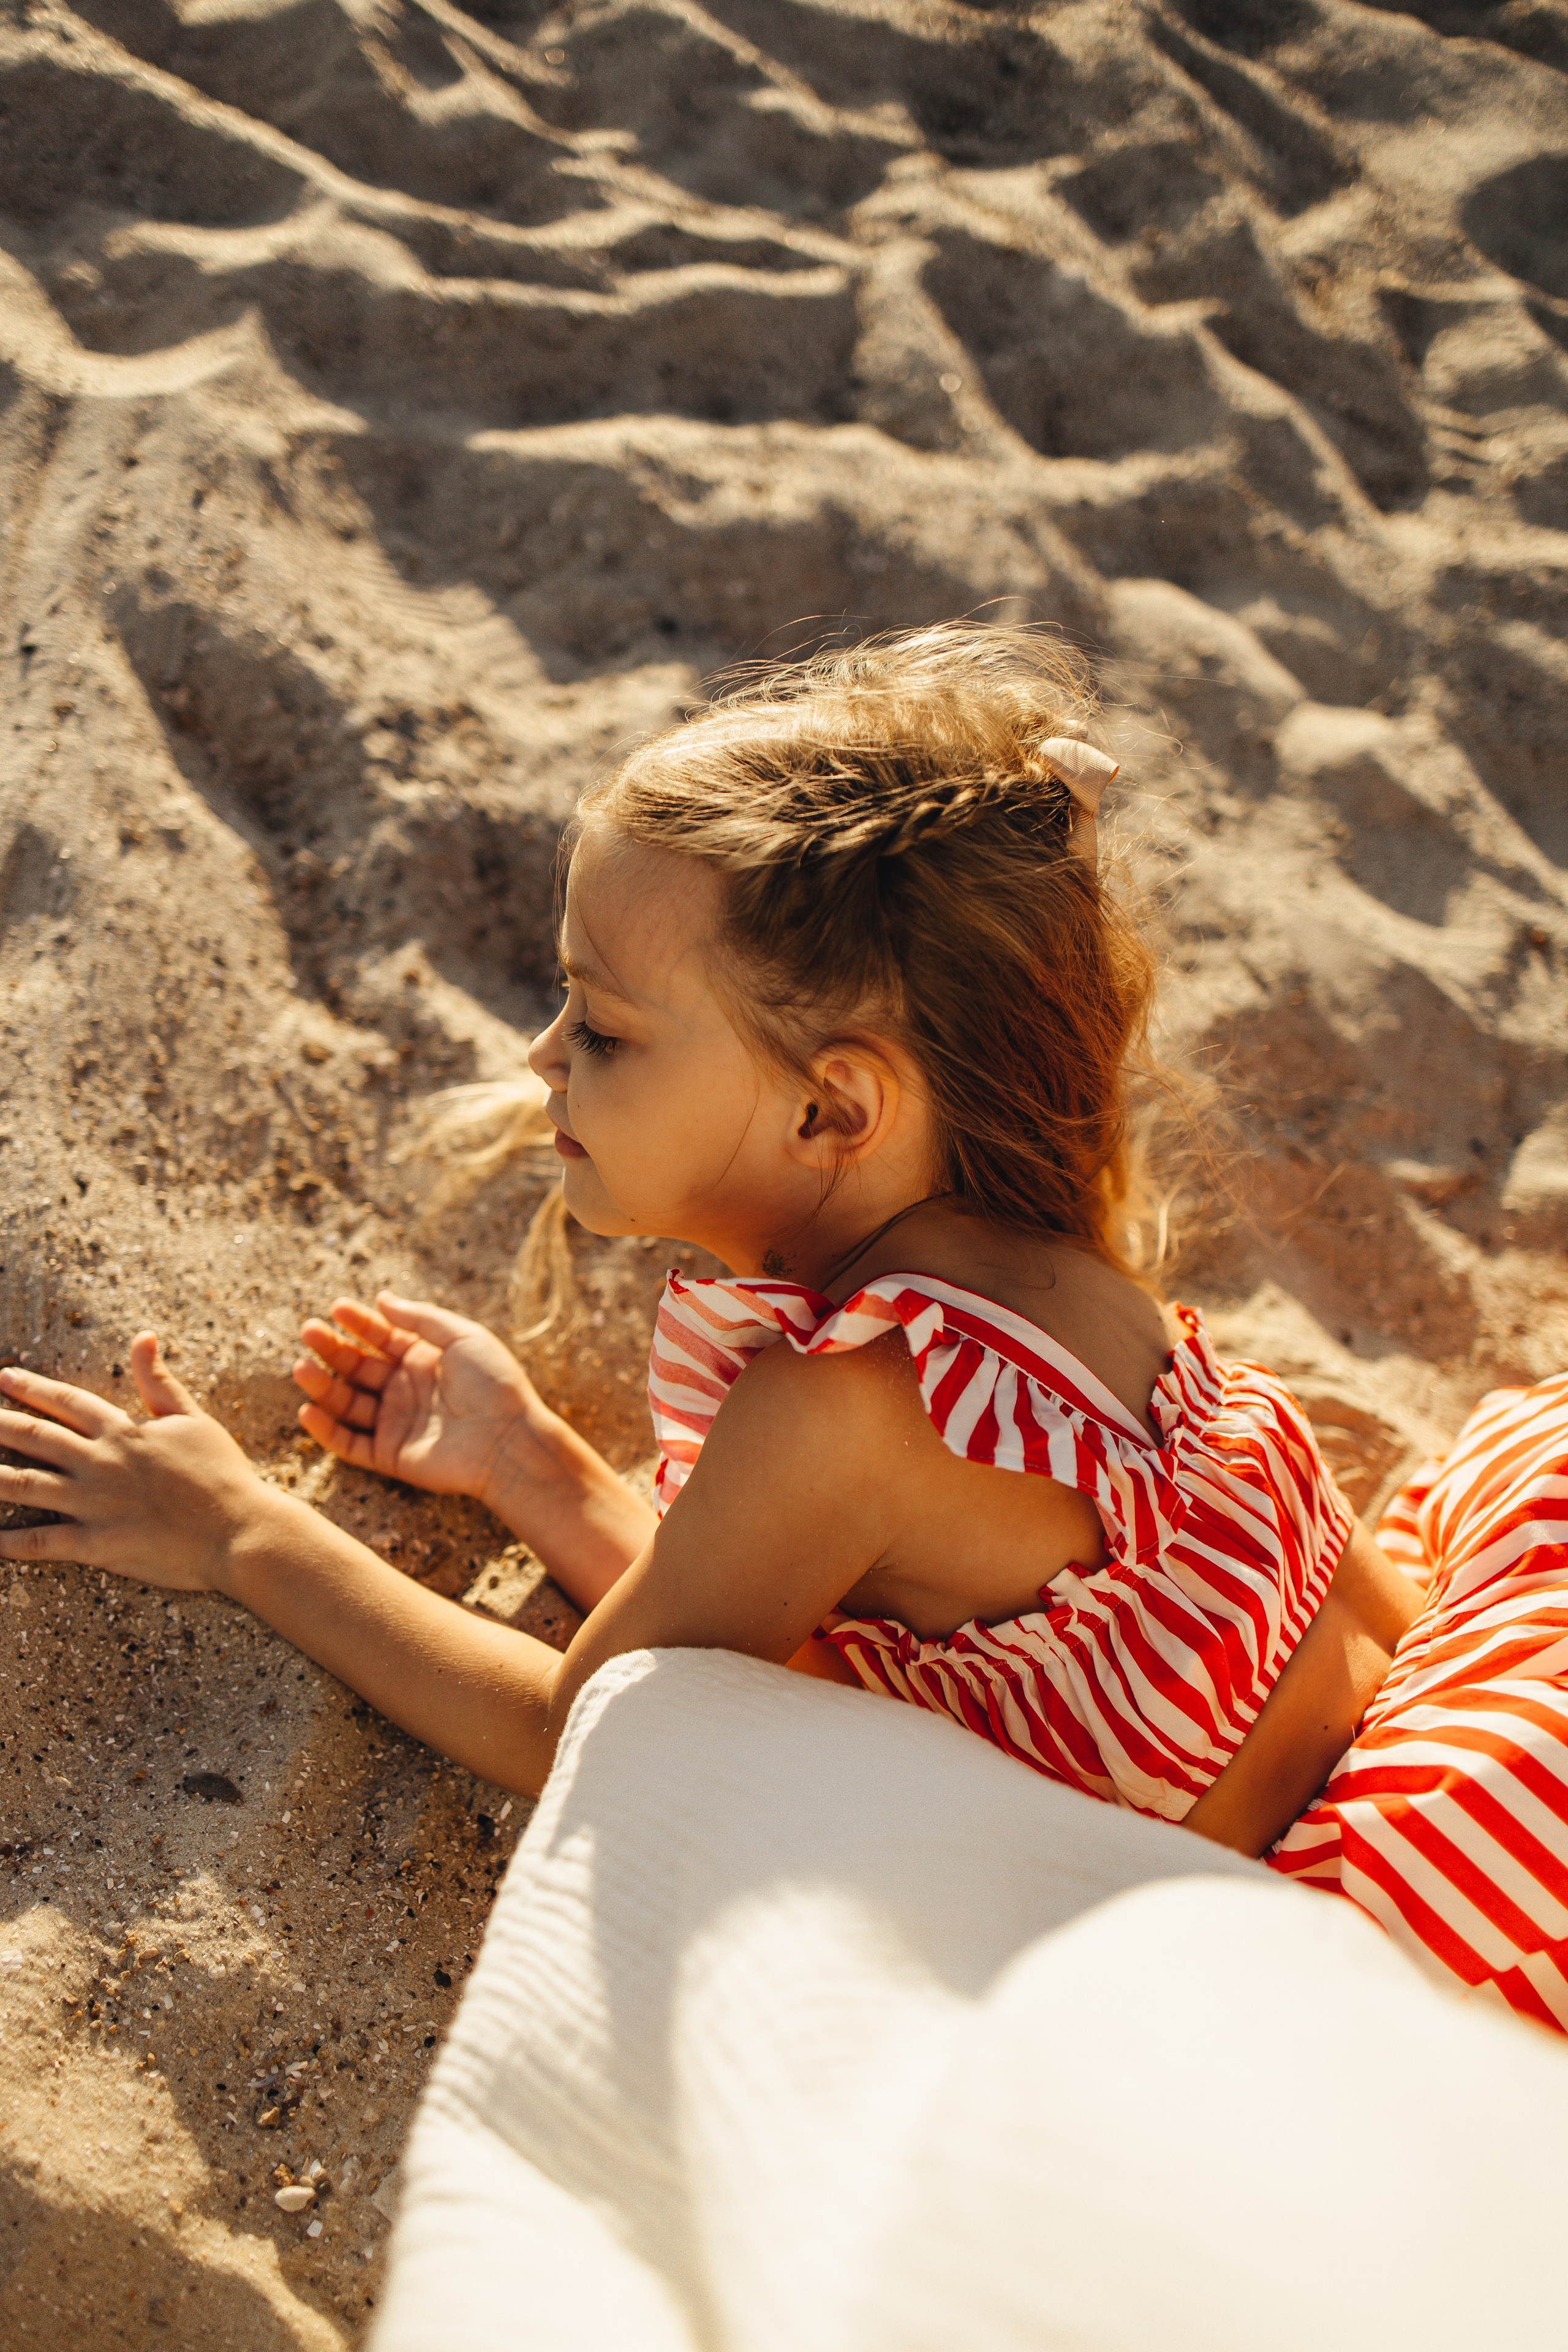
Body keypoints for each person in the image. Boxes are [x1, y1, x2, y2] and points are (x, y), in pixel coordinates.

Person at [3, 625, 1566, 2026]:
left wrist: (240, 1536)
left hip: (1355, 1948)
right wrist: (529, 1458)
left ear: (833, 1107)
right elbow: (770, 1636)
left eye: (601, 1028)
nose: (541, 1056)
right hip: (1450, 1727)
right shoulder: (1038, 1238)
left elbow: (590, 1729)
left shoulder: (852, 1402)